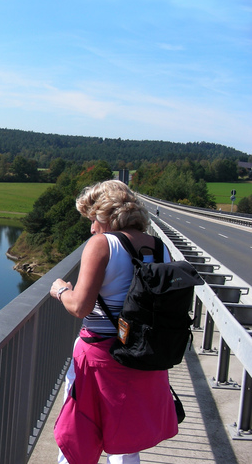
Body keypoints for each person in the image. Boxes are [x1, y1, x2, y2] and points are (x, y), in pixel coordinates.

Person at [48, 179, 177, 464]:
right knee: (126, 437)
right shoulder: (159, 248)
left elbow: (81, 306)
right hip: (143, 354)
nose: (91, 227)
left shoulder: (102, 244)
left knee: (78, 431)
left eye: (93, 219)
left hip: (100, 357)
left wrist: (60, 290)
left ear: (105, 215)